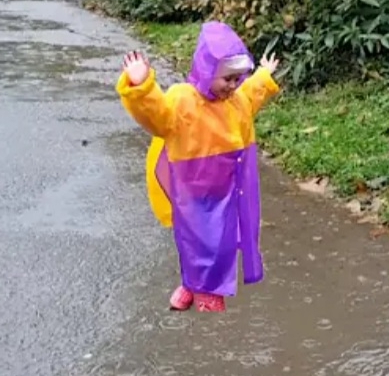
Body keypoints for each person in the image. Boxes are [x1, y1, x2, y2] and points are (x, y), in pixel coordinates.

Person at [116, 21, 281, 313]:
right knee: (193, 242)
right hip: (191, 189)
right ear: (207, 70)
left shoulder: (236, 101)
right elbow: (156, 116)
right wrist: (142, 87)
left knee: (221, 242)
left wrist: (263, 75)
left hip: (226, 188)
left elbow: (251, 94)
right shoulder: (182, 100)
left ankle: (208, 290)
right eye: (227, 79)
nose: (232, 86)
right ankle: (194, 285)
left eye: (237, 79)